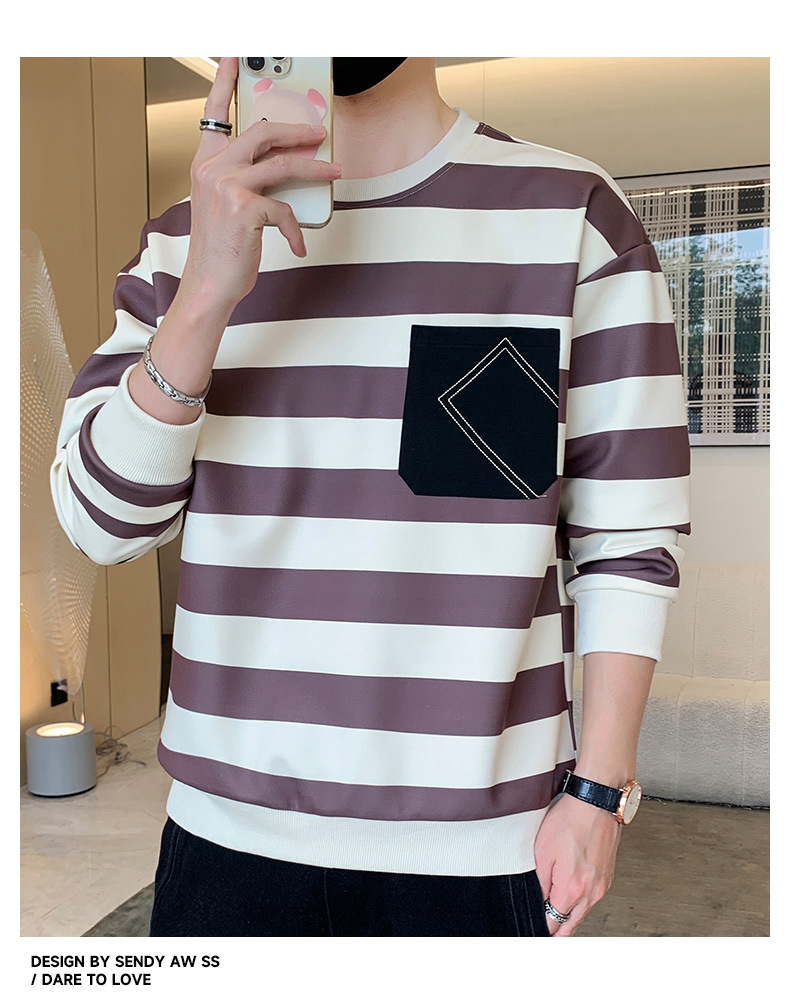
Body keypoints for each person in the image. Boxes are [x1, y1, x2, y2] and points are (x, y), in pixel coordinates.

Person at [50, 56, 692, 937]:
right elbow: (99, 522)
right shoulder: (182, 241)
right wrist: (204, 294)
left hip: (476, 856)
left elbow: (629, 538)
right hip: (227, 846)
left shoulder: (572, 214)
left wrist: (600, 794)